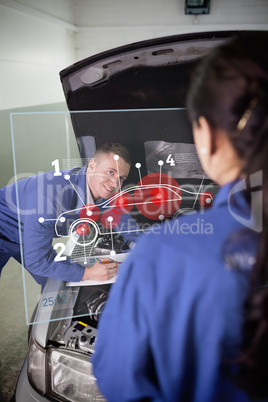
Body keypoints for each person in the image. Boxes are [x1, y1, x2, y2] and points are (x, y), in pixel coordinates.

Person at [92, 33, 268, 401]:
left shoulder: (163, 257)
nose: (114, 180)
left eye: (118, 175)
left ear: (206, 136)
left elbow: (120, 382)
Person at [0, 142, 140, 290]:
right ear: (92, 165)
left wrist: (145, 249)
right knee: (51, 269)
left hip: (24, 231)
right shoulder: (51, 199)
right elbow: (36, 261)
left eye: (121, 178)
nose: (114, 183)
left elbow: (126, 225)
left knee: (53, 282)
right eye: (111, 172)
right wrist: (87, 273)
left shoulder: (101, 189)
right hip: (3, 228)